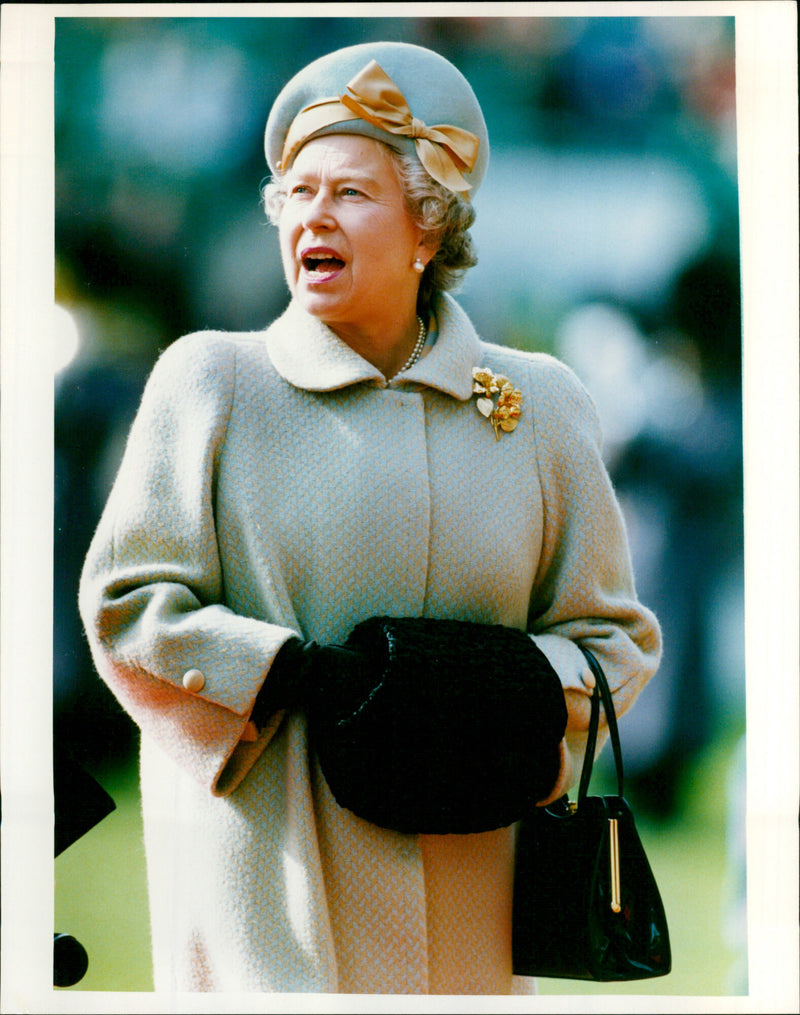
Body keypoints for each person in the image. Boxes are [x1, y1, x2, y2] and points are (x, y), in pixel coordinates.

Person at [79, 41, 661, 996]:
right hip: (270, 872)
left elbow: (614, 641)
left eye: (348, 192)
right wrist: (288, 675)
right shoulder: (212, 380)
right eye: (296, 192)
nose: (312, 213)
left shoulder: (540, 403)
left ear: (428, 224)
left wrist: (494, 687)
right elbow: (127, 604)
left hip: (473, 874)